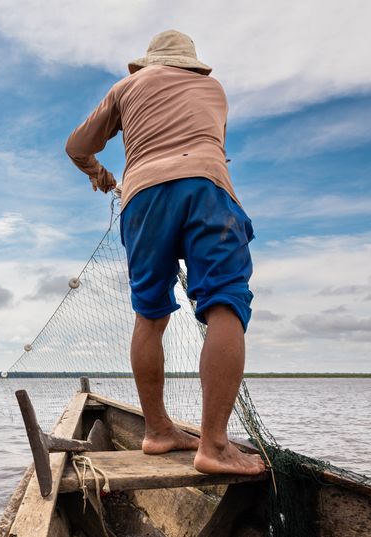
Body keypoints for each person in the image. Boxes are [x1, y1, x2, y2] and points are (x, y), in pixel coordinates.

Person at [65, 30, 265, 476]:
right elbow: (213, 145)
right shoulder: (214, 89)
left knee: (149, 316)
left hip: (141, 199)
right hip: (207, 186)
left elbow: (77, 146)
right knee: (224, 303)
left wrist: (98, 172)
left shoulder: (126, 87)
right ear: (192, 64)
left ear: (147, 63)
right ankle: (214, 444)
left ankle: (157, 431)